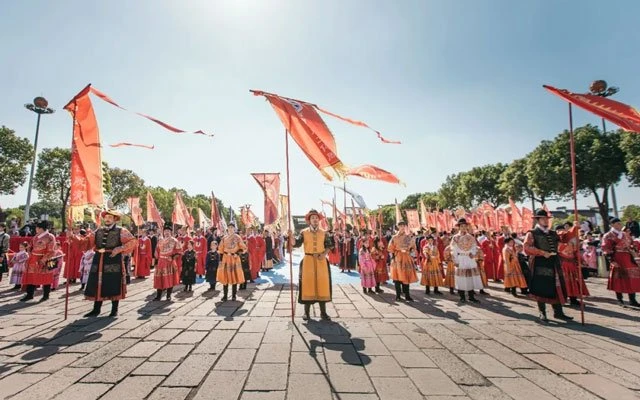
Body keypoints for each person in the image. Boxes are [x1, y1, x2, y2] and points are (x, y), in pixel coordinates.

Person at [83, 210, 137, 317]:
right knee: (97, 283)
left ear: (115, 219)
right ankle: (96, 309)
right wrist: (73, 238)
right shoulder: (98, 230)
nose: (107, 219)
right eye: (106, 217)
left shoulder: (121, 230)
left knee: (113, 282)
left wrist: (120, 248)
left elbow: (132, 241)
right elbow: (87, 242)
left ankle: (114, 310)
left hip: (113, 259)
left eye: (110, 217)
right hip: (98, 258)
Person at [523, 209, 573, 322]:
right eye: (543, 219)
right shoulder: (532, 233)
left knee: (556, 286)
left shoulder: (553, 233)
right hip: (539, 263)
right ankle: (542, 312)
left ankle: (558, 312)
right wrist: (542, 252)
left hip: (554, 262)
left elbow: (562, 243)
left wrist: (575, 228)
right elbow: (526, 248)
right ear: (538, 220)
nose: (546, 221)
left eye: (546, 219)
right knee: (541, 287)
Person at [288, 209, 334, 320]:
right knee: (307, 285)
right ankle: (306, 313)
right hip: (308, 261)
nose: (315, 220)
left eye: (316, 218)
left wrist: (324, 254)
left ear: (319, 220)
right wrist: (291, 236)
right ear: (309, 220)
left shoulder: (324, 232)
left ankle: (323, 313)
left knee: (322, 285)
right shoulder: (304, 232)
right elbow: (296, 244)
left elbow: (330, 245)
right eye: (312, 218)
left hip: (321, 261)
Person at [602, 217, 640, 307]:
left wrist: (634, 246)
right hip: (617, 257)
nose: (620, 225)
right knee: (618, 278)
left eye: (620, 223)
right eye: (617, 224)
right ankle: (619, 299)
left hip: (628, 258)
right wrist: (611, 260)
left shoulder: (626, 234)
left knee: (631, 277)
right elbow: (605, 248)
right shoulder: (608, 235)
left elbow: (631, 244)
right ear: (612, 225)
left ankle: (632, 299)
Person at [20, 221, 56, 302]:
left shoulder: (50, 237)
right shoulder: (36, 236)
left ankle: (46, 295)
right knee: (31, 276)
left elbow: (51, 251)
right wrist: (29, 252)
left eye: (36, 227)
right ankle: (29, 294)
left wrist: (43, 259)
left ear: (40, 228)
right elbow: (30, 246)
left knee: (45, 277)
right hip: (33, 258)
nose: (35, 229)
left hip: (45, 259)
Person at [451, 218, 484, 303]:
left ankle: (471, 296)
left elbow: (474, 246)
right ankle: (462, 296)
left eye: (465, 226)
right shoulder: (455, 237)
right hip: (461, 258)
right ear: (459, 227)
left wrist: (473, 253)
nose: (463, 227)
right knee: (461, 278)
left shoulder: (470, 237)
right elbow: (453, 249)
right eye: (461, 226)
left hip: (469, 258)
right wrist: (456, 261)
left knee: (470, 277)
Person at [556, 223, 589, 306]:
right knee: (564, 282)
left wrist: (581, 260)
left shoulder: (572, 240)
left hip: (572, 264)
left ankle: (573, 299)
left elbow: (576, 252)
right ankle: (562, 299)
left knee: (573, 282)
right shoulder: (559, 239)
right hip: (562, 264)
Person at [388, 221, 418, 302]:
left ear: (405, 227)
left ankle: (407, 295)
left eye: (403, 226)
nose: (402, 227)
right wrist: (394, 254)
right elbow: (390, 248)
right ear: (398, 227)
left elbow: (413, 247)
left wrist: (410, 251)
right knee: (397, 277)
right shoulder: (394, 237)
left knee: (406, 276)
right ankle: (398, 295)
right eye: (400, 226)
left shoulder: (408, 237)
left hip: (406, 258)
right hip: (398, 258)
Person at [217, 222, 247, 302]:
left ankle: (234, 296)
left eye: (232, 227)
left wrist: (237, 253)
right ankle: (225, 296)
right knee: (225, 276)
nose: (230, 229)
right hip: (226, 258)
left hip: (234, 258)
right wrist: (220, 260)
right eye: (229, 227)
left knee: (234, 276)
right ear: (227, 228)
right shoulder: (224, 238)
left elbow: (243, 248)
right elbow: (220, 249)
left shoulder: (238, 237)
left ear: (234, 228)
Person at [154, 223, 182, 301]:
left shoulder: (174, 240)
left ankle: (168, 296)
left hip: (169, 262)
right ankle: (158, 296)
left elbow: (179, 252)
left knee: (170, 279)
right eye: (165, 231)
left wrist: (172, 257)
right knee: (159, 279)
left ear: (171, 232)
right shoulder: (160, 240)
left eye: (168, 231)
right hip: (161, 262)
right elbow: (157, 251)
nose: (166, 232)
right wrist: (156, 261)